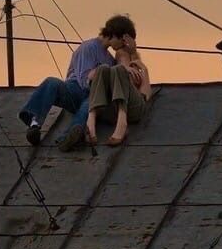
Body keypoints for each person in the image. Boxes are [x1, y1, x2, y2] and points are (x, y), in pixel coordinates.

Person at [18, 15, 141, 151]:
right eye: (123, 41)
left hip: (93, 97)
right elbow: (84, 81)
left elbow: (128, 75)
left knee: (91, 102)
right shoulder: (88, 47)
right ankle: (34, 123)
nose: (122, 46)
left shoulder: (110, 58)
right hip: (74, 89)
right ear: (114, 35)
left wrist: (132, 52)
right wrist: (107, 72)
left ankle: (70, 136)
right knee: (52, 82)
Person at [86, 46, 152, 146]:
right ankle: (91, 117)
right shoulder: (112, 71)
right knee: (102, 68)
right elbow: (89, 77)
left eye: (127, 61)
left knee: (119, 70)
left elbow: (146, 96)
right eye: (120, 60)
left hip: (133, 109)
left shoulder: (136, 74)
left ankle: (122, 123)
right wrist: (123, 67)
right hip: (112, 111)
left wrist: (144, 70)